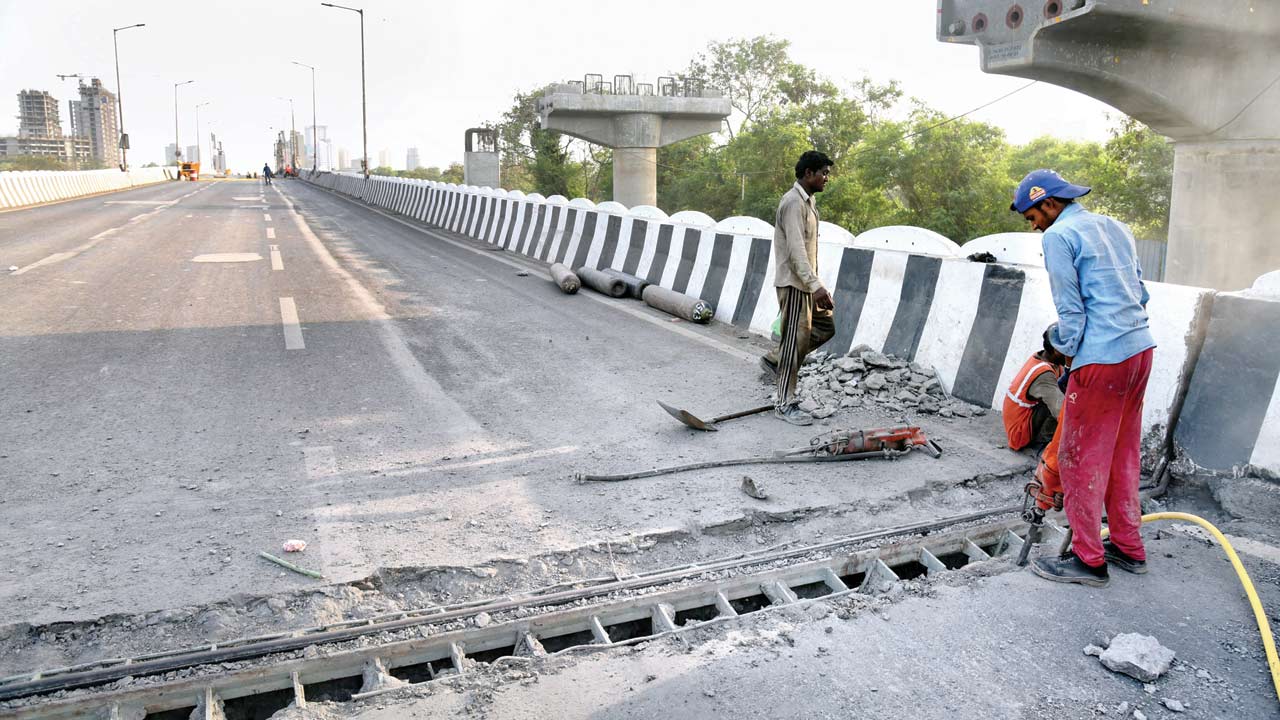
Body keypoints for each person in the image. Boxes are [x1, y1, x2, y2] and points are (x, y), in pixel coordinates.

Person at [1012, 169, 1156, 588]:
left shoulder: (1058, 238)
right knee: (1123, 454)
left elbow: (1072, 315)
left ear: (1049, 204)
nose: (1034, 224)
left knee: (1079, 458)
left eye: (1032, 215)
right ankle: (1129, 548)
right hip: (1140, 349)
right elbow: (1141, 292)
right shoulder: (1116, 226)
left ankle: (1088, 560)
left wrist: (1066, 355)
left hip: (1102, 358)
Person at [762, 150, 836, 426]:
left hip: (806, 284)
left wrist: (816, 285)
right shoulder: (793, 203)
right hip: (795, 285)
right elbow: (795, 251)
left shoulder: (808, 202)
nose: (827, 178)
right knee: (794, 344)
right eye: (823, 173)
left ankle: (776, 358)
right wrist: (815, 285)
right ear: (809, 174)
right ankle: (783, 403)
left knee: (826, 327)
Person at [1002, 324, 1068, 452]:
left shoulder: (1044, 359)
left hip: (1018, 421)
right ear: (1056, 350)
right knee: (1063, 405)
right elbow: (1061, 411)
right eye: (1067, 350)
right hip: (1019, 433)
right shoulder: (1044, 375)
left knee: (1063, 388)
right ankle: (1041, 447)